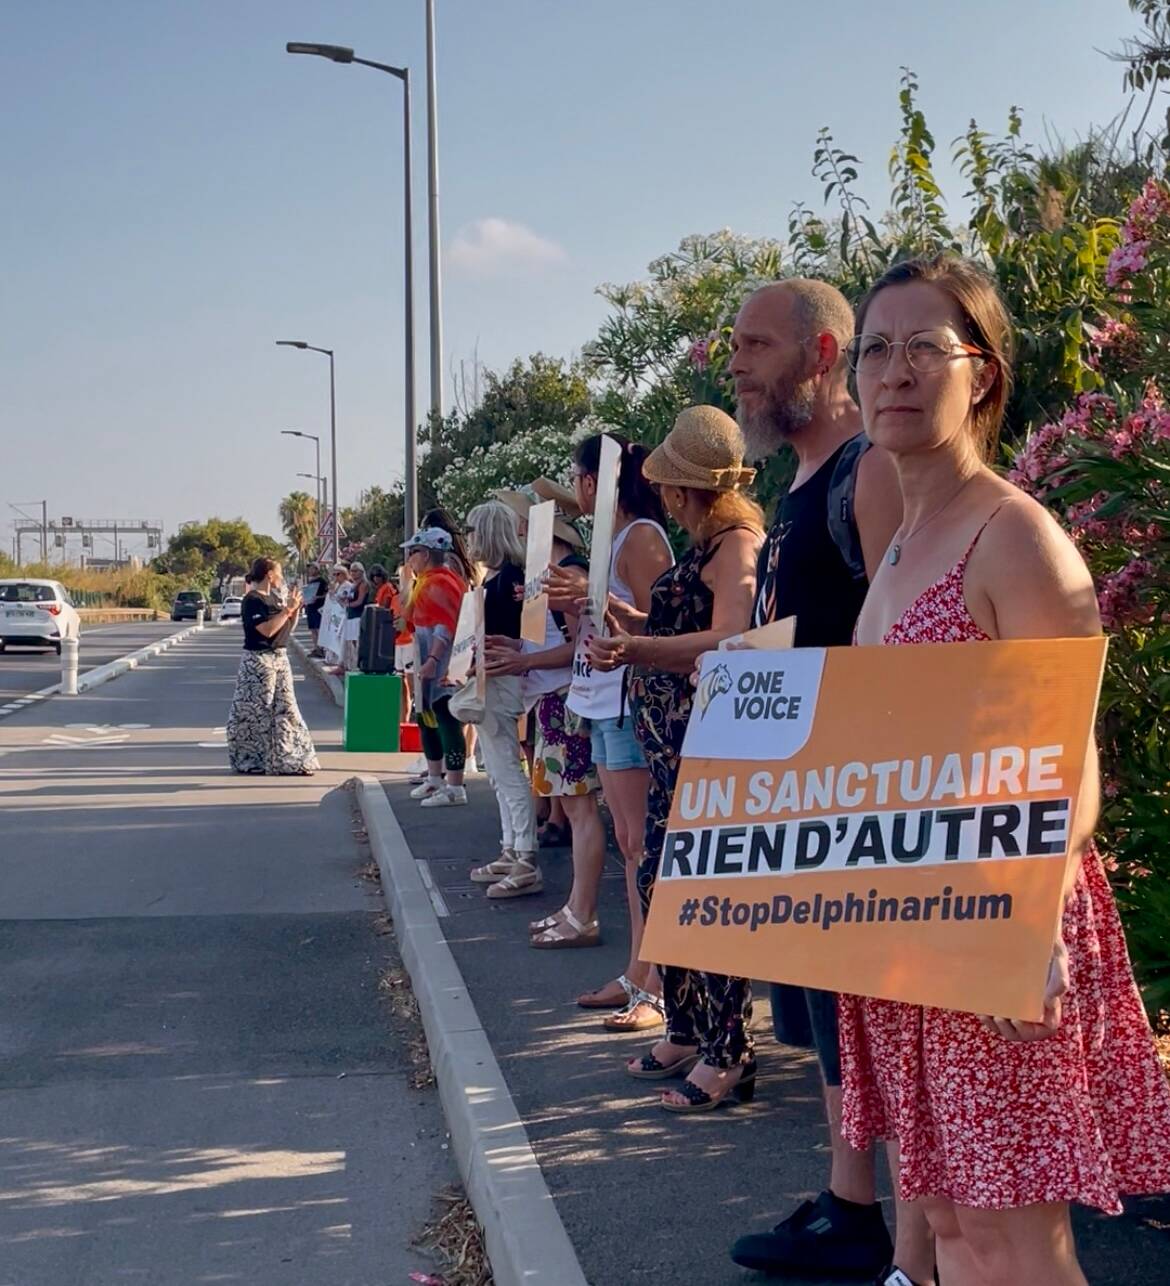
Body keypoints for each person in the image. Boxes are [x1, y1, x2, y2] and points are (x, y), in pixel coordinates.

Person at [833, 252, 1170, 1285]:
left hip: (994, 918)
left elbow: (1070, 768)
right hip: (909, 920)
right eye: (874, 348)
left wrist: (1016, 926)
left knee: (1010, 1240)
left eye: (923, 347)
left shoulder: (1016, 538)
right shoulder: (901, 536)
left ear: (979, 371)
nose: (893, 371)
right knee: (943, 1223)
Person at [723, 278, 929, 1286]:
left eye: (756, 343)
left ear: (820, 354)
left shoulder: (865, 475)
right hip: (796, 807)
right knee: (829, 1030)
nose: (735, 362)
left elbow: (908, 639)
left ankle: (910, 1247)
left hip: (858, 811)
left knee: (879, 1032)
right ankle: (851, 1206)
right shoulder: (799, 485)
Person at [588, 406, 764, 1110]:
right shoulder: (707, 542)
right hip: (671, 752)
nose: (661, 495)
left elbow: (729, 635)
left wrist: (637, 648)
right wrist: (625, 620)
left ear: (694, 490)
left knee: (707, 894)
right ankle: (690, 1026)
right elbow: (679, 623)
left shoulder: (737, 546)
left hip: (707, 749)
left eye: (670, 485)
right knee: (666, 886)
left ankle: (730, 1048)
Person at [546, 433, 674, 1031]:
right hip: (602, 702)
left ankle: (655, 982)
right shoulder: (614, 540)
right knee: (631, 845)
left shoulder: (640, 538)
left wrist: (596, 604)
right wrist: (577, 604)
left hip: (628, 701)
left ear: (594, 483)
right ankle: (638, 972)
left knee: (641, 847)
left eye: (577, 478)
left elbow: (667, 624)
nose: (575, 491)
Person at [485, 495, 605, 946]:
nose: (518, 529)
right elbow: (555, 644)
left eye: (524, 521)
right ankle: (577, 907)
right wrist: (518, 651)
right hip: (554, 699)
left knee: (579, 808)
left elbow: (578, 647)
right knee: (574, 807)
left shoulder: (567, 574)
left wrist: (522, 663)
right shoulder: (555, 574)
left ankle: (583, 912)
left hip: (563, 699)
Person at [460, 501, 544, 897]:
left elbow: (518, 636)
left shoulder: (505, 582)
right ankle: (513, 848)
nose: (469, 539)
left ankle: (524, 854)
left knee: (507, 770)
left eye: (473, 531)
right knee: (498, 770)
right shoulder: (504, 578)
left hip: (499, 681)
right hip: (496, 679)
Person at [226, 557, 319, 776]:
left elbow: (284, 629)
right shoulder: (252, 600)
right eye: (278, 573)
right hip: (258, 661)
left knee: (286, 709)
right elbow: (266, 630)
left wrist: (293, 610)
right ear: (269, 575)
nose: (281, 578)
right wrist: (286, 610)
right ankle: (251, 759)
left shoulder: (275, 599)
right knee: (256, 712)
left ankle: (290, 757)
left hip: (280, 658)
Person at [400, 528, 469, 808]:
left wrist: (432, 661)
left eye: (413, 553)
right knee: (426, 717)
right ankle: (435, 777)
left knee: (446, 718)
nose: (410, 559)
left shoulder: (440, 583)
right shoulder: (427, 581)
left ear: (426, 554)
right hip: (427, 660)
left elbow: (445, 626)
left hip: (441, 665)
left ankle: (455, 785)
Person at [342, 560, 370, 672]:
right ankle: (353, 664)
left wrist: (347, 604)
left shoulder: (363, 584)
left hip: (359, 615)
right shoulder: (353, 585)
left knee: (357, 641)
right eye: (351, 571)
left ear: (361, 572)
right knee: (352, 642)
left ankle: (358, 665)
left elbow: (359, 601)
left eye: (355, 571)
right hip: (351, 615)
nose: (353, 573)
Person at [303, 563, 328, 656]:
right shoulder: (309, 582)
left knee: (318, 628)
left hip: (318, 608)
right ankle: (316, 648)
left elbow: (327, 594)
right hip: (310, 607)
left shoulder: (322, 581)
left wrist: (317, 597)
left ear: (317, 569)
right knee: (312, 628)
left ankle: (322, 648)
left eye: (312, 568)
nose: (310, 570)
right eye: (309, 569)